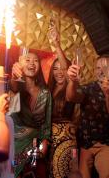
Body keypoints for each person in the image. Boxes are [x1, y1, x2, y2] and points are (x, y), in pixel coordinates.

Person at [66, 55, 109, 178]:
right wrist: (72, 81)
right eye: (98, 68)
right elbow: (71, 97)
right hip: (85, 144)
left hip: (105, 144)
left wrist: (108, 95)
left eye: (105, 67)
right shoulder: (88, 88)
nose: (101, 71)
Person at [10, 52, 52, 178]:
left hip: (34, 147)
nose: (32, 64)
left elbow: (46, 124)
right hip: (14, 145)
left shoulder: (45, 93)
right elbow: (13, 100)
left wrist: (44, 145)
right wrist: (14, 77)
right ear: (20, 63)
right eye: (27, 60)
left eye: (35, 61)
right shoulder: (14, 87)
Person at [47, 22, 77, 178]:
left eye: (62, 68)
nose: (59, 72)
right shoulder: (49, 90)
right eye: (55, 68)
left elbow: (66, 69)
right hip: (49, 138)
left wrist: (57, 45)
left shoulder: (70, 88)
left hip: (66, 138)